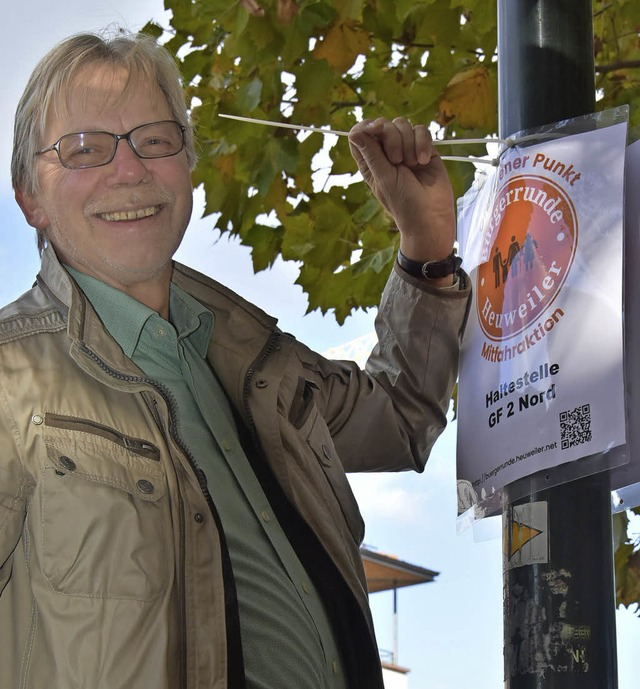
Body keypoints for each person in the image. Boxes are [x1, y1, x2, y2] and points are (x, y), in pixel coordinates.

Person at [0, 30, 470, 689]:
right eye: (84, 149)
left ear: (188, 162)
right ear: (29, 195)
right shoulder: (10, 380)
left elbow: (398, 417)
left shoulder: (256, 360)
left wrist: (426, 243)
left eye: (155, 139)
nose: (129, 169)